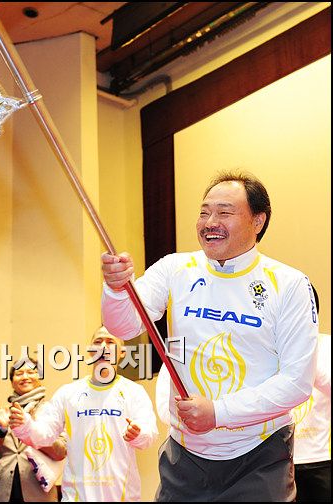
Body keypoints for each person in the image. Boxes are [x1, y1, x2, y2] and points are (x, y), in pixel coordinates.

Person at [100, 171, 318, 501]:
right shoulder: (175, 269)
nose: (210, 222)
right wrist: (117, 289)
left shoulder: (289, 284)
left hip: (260, 457)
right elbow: (125, 326)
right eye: (204, 212)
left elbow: (297, 383)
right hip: (184, 457)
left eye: (224, 212)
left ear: (257, 222)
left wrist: (219, 412)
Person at [9, 326, 158, 502]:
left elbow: (150, 433)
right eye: (98, 342)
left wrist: (138, 433)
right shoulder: (68, 393)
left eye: (110, 342)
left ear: (122, 352)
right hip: (77, 497)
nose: (103, 346)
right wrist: (24, 425)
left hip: (122, 496)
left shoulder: (134, 391)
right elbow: (44, 434)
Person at [0, 358, 67, 502]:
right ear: (12, 381)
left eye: (31, 372)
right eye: (19, 373)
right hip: (4, 495)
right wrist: (1, 430)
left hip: (39, 494)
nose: (25, 377)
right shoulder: (2, 413)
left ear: (39, 378)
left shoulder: (51, 410)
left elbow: (61, 452)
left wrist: (30, 429)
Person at [293, 286, 331, 502]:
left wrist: (306, 359)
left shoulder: (327, 345)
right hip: (277, 461)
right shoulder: (269, 347)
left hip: (322, 459)